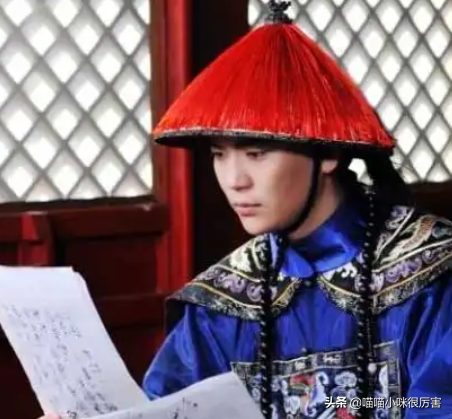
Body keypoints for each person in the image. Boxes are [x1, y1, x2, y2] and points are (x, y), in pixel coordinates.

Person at [39, 1, 452, 419]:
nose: (235, 180)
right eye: (219, 154)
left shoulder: (432, 273)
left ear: (328, 154)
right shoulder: (221, 303)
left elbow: (437, 403)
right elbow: (165, 408)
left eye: (256, 153)